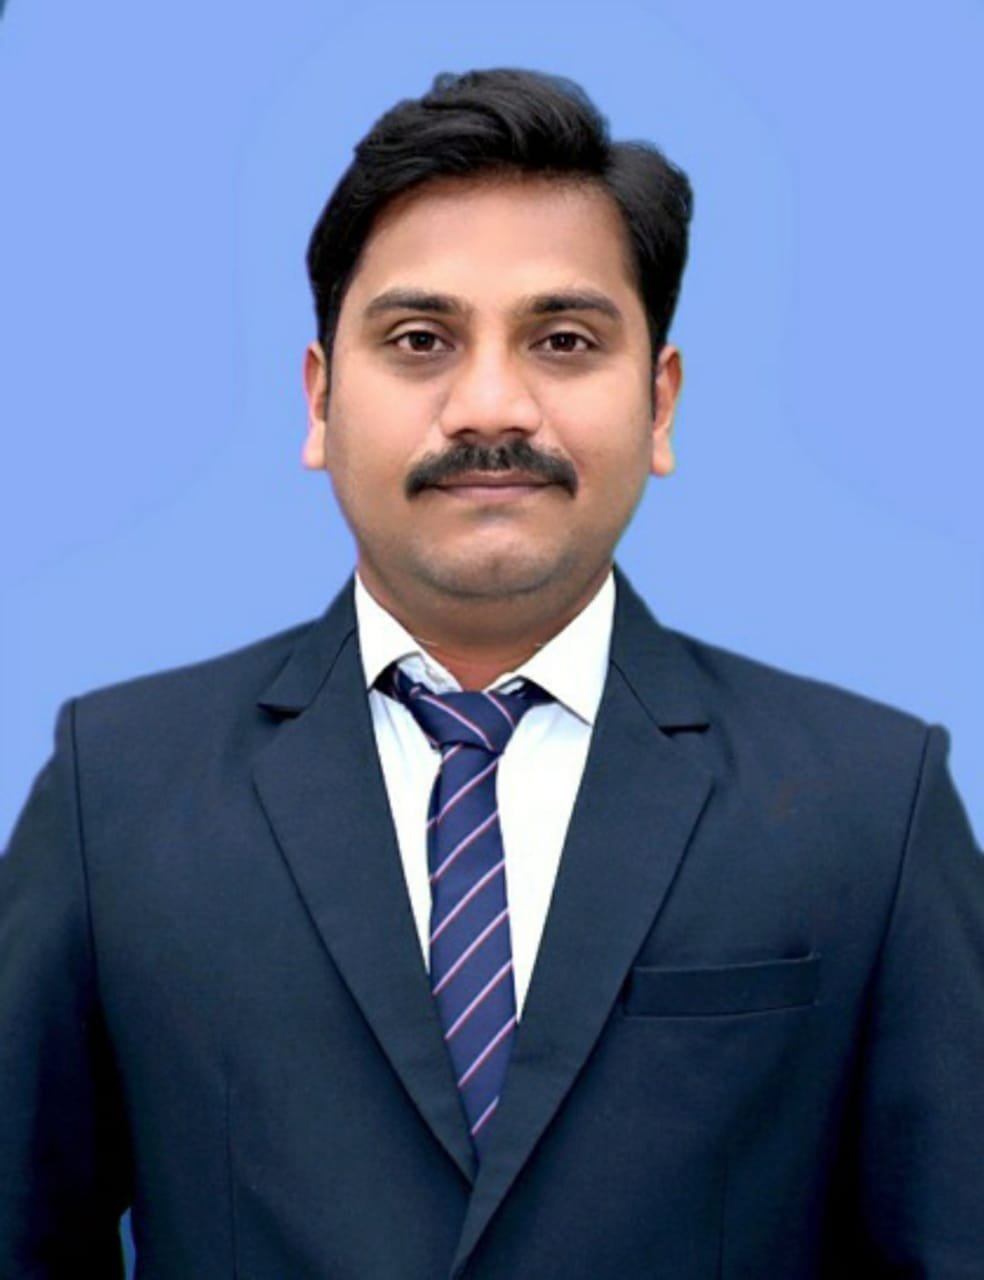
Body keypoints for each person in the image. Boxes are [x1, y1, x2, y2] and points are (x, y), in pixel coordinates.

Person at [1, 67, 981, 1280]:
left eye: (564, 341)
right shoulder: (116, 790)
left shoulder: (872, 804)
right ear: (321, 399)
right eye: (420, 340)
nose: (490, 406)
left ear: (659, 403)